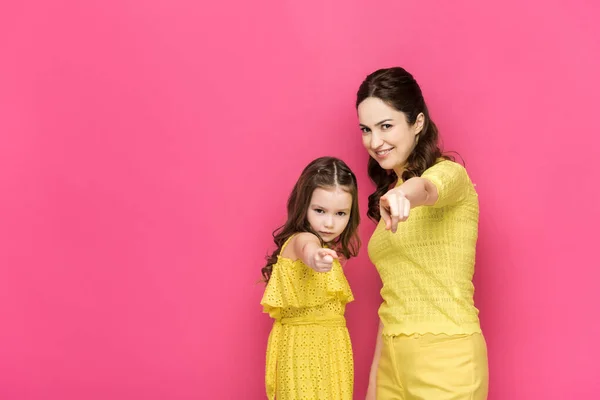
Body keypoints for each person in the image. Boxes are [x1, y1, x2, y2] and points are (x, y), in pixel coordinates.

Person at [357, 67, 489, 399]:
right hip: (392, 363)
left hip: (447, 360)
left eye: (386, 126)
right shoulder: (389, 195)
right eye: (366, 129)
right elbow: (393, 299)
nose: (375, 142)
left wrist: (405, 195)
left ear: (417, 123)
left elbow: (427, 188)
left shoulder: (450, 175)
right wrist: (375, 383)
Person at [260, 156, 361, 400]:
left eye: (340, 213)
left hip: (332, 348)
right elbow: (308, 247)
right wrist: (315, 256)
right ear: (303, 205)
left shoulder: (329, 248)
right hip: (304, 348)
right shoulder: (300, 241)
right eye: (319, 210)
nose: (329, 222)